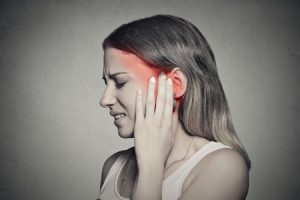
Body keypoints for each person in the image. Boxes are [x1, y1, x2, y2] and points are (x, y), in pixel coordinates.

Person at [98, 14, 250, 200]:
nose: (104, 100)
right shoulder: (114, 166)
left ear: (175, 84)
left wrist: (151, 167)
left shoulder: (222, 167)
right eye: (106, 83)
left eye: (120, 82)